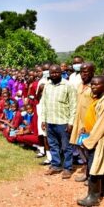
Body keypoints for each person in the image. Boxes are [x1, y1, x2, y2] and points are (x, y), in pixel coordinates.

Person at [41, 65, 77, 179]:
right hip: (50, 121)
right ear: (49, 74)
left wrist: (71, 122)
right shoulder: (47, 86)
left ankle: (67, 168)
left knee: (66, 147)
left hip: (63, 122)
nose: (54, 74)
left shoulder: (68, 85)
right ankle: (56, 165)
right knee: (53, 145)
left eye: (57, 72)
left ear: (61, 72)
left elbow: (73, 105)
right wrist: (43, 120)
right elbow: (44, 104)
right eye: (52, 73)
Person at [77, 76, 104, 206]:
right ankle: (100, 192)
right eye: (92, 84)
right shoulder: (97, 99)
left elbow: (101, 126)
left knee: (94, 167)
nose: (93, 87)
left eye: (97, 85)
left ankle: (93, 197)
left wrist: (89, 142)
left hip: (97, 140)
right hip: (92, 137)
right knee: (97, 165)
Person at [69, 63, 95, 183]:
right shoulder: (79, 85)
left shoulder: (95, 86)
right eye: (82, 72)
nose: (84, 74)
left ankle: (91, 176)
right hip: (78, 121)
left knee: (89, 148)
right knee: (79, 146)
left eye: (86, 71)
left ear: (92, 72)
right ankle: (86, 169)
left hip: (90, 124)